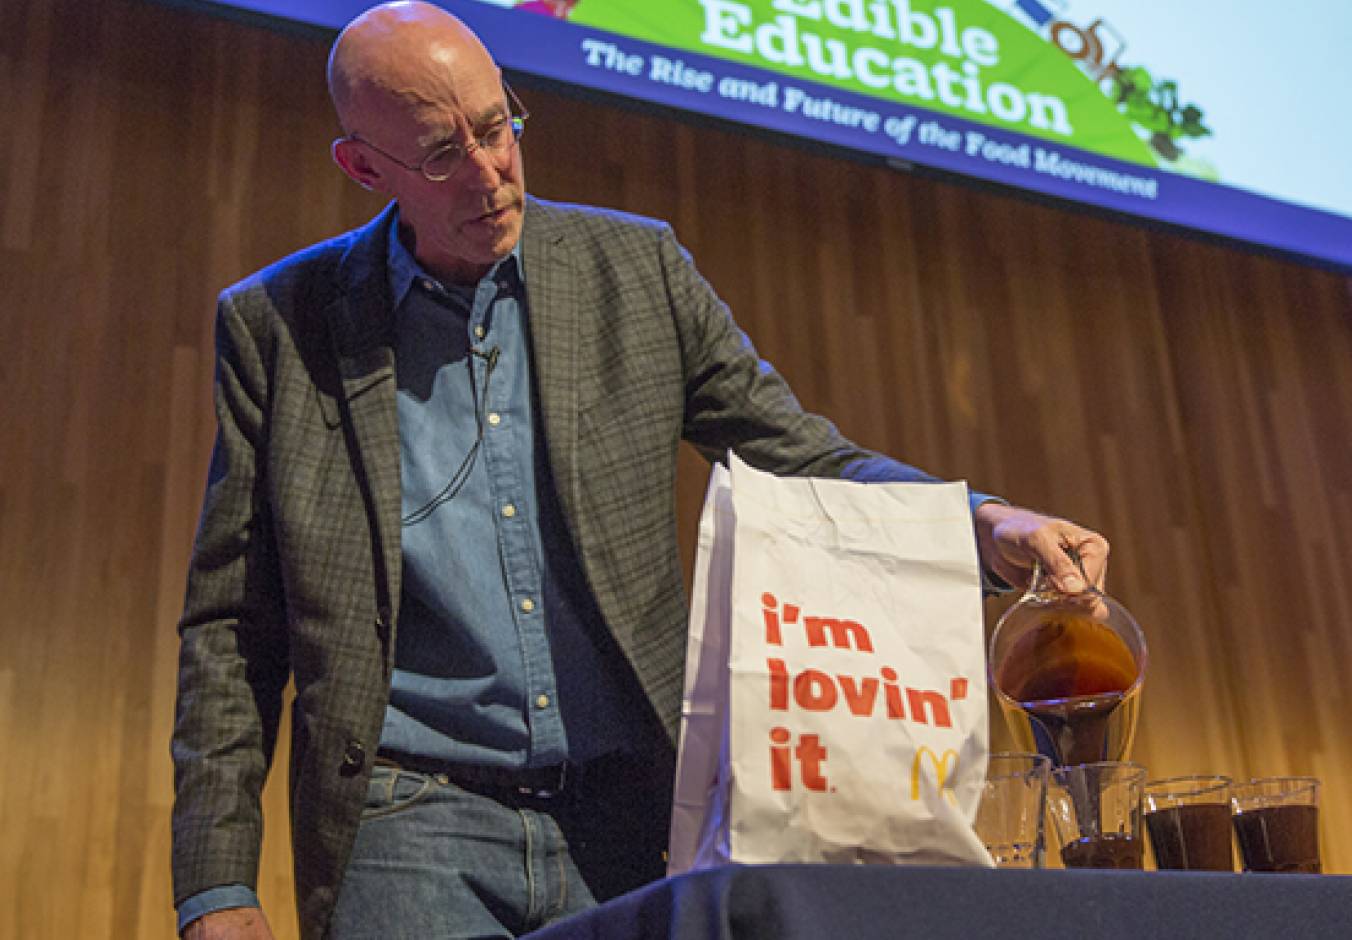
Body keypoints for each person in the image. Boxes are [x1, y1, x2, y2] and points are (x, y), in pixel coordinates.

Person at [169, 3, 1109, 938]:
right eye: (443, 153)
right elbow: (231, 626)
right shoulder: (278, 326)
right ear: (364, 166)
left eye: (497, 128)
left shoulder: (637, 268)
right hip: (407, 818)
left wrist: (984, 523)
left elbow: (801, 457)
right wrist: (217, 887)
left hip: (627, 816)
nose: (492, 172)